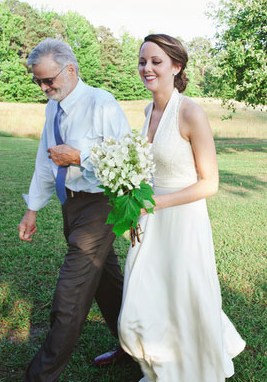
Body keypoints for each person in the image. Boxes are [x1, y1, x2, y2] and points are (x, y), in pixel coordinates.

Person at [117, 34, 245, 381]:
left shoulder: (191, 113)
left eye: (156, 62)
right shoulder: (147, 111)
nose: (147, 68)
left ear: (177, 66)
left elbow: (210, 183)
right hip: (149, 217)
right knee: (150, 291)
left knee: (183, 293)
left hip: (182, 219)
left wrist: (155, 203)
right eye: (143, 61)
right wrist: (133, 205)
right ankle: (163, 364)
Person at [17, 38, 131, 381]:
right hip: (72, 206)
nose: (43, 87)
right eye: (38, 82)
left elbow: (127, 159)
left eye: (48, 80)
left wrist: (80, 156)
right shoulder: (53, 106)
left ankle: (41, 376)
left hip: (100, 205)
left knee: (71, 293)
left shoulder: (102, 103)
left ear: (70, 69)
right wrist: (33, 209)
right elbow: (45, 159)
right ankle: (136, 348)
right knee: (108, 286)